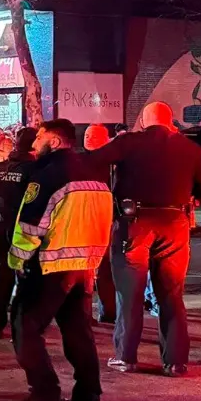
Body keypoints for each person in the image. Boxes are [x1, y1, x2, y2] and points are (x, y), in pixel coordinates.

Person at [91, 101, 201, 376]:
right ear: (170, 121)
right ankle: (176, 362)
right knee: (171, 294)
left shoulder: (129, 142)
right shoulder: (189, 148)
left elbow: (93, 160)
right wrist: (194, 197)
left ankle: (126, 357)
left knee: (130, 293)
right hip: (175, 223)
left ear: (143, 121)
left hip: (134, 224)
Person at [9, 119, 113, 401]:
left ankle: (45, 391)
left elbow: (31, 225)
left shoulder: (47, 175)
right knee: (77, 331)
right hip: (85, 265)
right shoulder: (94, 173)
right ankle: (87, 396)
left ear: (54, 142)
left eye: (39, 137)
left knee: (24, 326)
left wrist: (17, 260)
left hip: (51, 265)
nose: (34, 143)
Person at [0, 126, 37, 339]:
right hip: (26, 227)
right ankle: (21, 328)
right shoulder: (37, 170)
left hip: (1, 225)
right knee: (25, 276)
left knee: (1, 275)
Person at [83, 123, 116, 324]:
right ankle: (85, 314)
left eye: (94, 136)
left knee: (106, 269)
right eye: (87, 135)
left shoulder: (113, 163)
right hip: (86, 220)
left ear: (106, 140)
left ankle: (108, 311)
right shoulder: (78, 162)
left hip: (107, 221)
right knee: (84, 271)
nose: (89, 139)